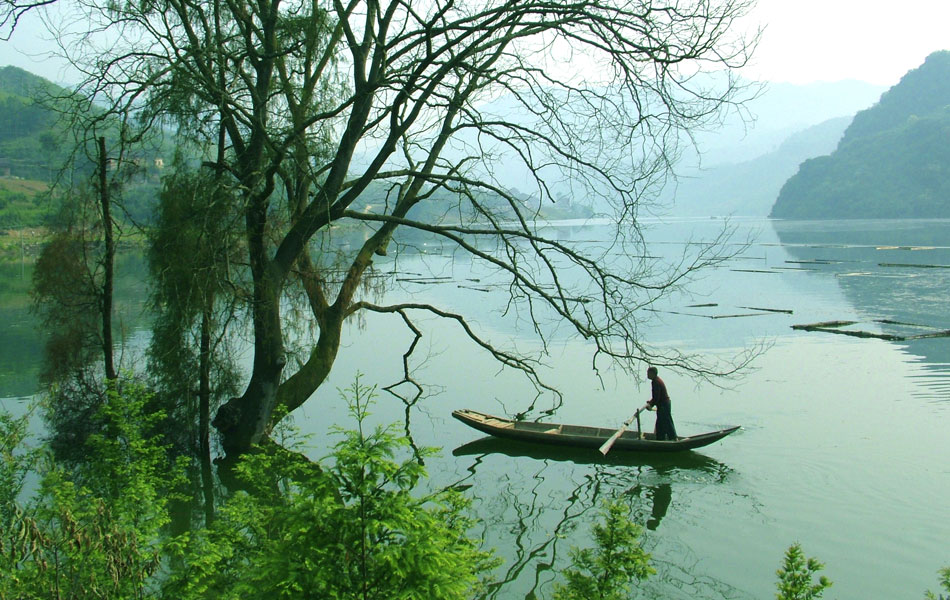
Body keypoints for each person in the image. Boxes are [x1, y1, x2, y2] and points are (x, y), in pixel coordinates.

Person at [646, 366, 677, 441]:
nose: (647, 375)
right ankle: (660, 439)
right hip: (663, 404)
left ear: (653, 373)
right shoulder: (656, 380)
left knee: (667, 421)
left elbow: (657, 397)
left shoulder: (656, 381)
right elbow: (656, 397)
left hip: (664, 405)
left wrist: (651, 405)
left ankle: (673, 438)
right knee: (660, 424)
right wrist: (650, 402)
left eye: (648, 373)